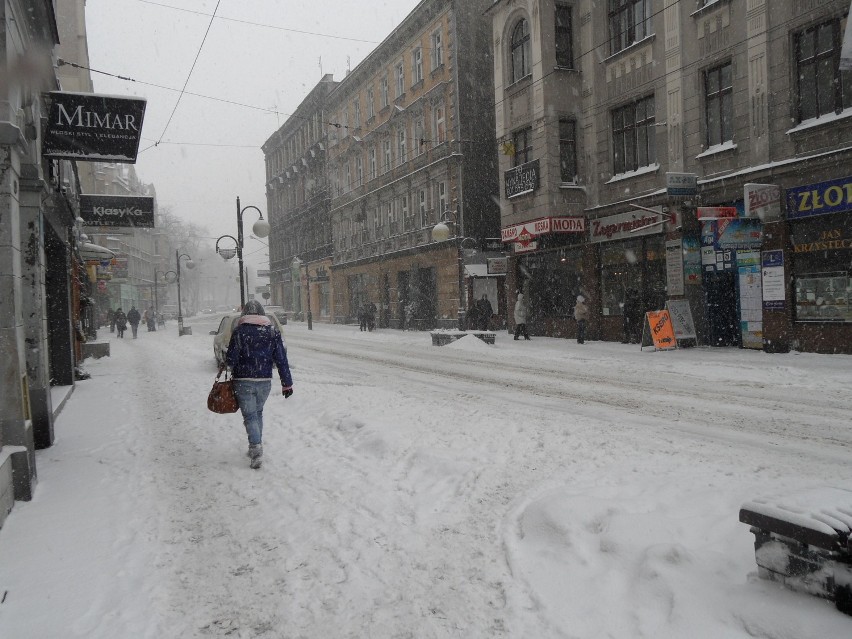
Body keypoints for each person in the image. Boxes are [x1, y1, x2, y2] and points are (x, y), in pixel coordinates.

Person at [224, 300, 293, 469]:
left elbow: (231, 359)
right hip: (264, 381)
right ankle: (256, 444)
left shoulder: (239, 332)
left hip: (243, 380)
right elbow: (281, 359)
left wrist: (229, 361)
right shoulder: (271, 332)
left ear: (244, 314)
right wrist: (287, 384)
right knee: (258, 413)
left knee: (250, 416)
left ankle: (256, 449)